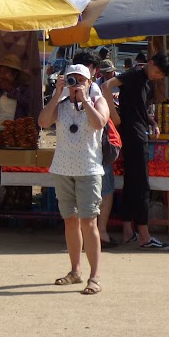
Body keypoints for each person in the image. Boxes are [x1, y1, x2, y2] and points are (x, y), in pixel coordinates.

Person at [38, 64, 110, 295]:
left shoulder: (98, 101)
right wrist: (57, 94)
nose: (76, 84)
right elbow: (43, 122)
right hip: (63, 169)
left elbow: (100, 122)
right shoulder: (60, 104)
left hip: (89, 170)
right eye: (72, 80)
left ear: (90, 82)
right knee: (70, 221)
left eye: (81, 80)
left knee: (89, 223)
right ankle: (75, 271)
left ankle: (95, 276)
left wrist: (86, 100)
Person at [101, 50, 169, 250]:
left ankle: (128, 231)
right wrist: (113, 117)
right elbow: (106, 86)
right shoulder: (135, 75)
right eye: (158, 71)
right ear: (150, 62)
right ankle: (144, 235)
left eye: (162, 75)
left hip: (136, 132)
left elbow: (139, 109)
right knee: (142, 186)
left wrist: (152, 122)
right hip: (133, 136)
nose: (158, 76)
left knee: (132, 183)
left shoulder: (145, 82)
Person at [73, 51, 119, 246]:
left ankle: (97, 233)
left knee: (102, 190)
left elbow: (104, 120)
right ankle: (97, 233)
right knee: (103, 191)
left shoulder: (96, 91)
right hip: (83, 151)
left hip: (95, 148)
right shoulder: (66, 90)